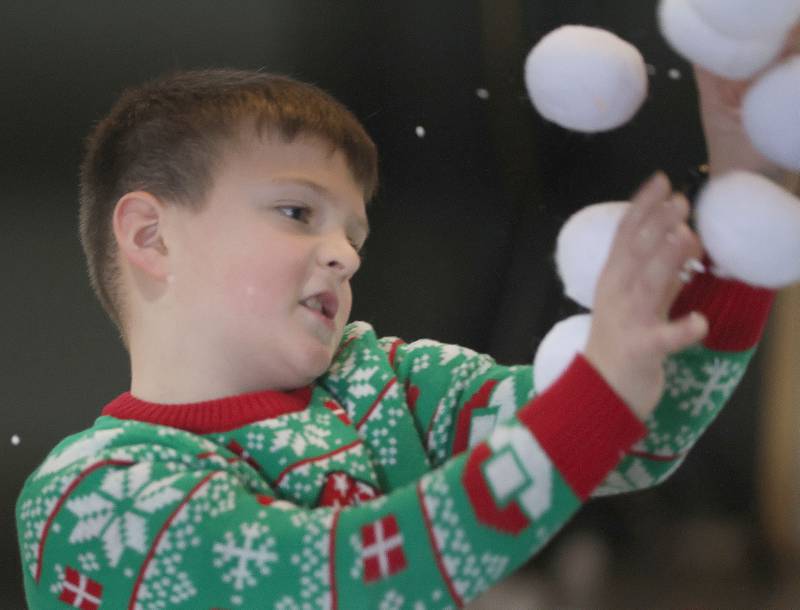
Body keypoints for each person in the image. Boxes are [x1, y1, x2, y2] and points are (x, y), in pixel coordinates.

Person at [15, 58, 781, 609]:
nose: (346, 253)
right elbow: (339, 578)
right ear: (152, 238)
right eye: (296, 212)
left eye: (356, 235)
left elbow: (632, 433)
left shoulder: (384, 384)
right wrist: (596, 388)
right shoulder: (90, 496)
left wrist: (743, 195)